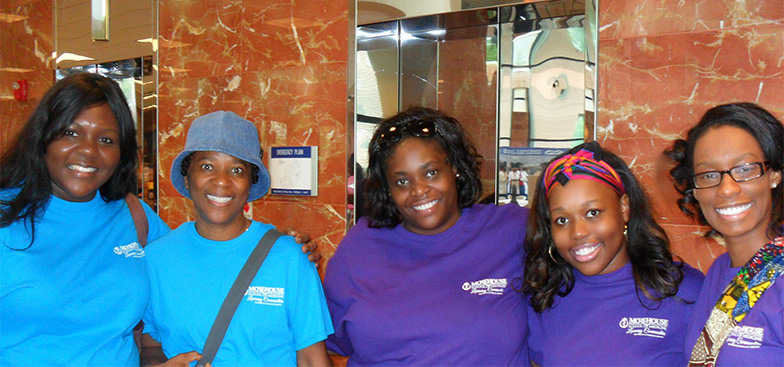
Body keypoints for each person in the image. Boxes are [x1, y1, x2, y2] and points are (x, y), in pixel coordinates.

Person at [0, 73, 318, 366]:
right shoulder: (6, 218)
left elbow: (203, 255)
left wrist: (283, 250)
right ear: (43, 138)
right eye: (71, 132)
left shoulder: (134, 217)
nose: (88, 152)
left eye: (106, 140)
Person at [324, 107, 529, 365]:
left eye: (431, 172)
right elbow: (316, 342)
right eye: (401, 181)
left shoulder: (511, 230)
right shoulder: (360, 246)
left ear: (454, 167)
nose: (419, 190)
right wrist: (287, 256)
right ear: (387, 189)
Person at [140, 111, 333, 366]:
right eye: (207, 166)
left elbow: (312, 359)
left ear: (250, 185)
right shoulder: (156, 258)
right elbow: (150, 346)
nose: (221, 181)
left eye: (237, 169)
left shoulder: (290, 257)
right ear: (187, 179)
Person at [523, 141, 704, 366]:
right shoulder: (544, 298)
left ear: (624, 208)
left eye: (592, 212)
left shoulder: (686, 291)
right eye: (562, 220)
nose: (577, 232)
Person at [668, 103, 784, 365]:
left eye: (745, 169)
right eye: (709, 175)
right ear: (695, 190)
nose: (727, 189)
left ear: (774, 174)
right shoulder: (720, 271)